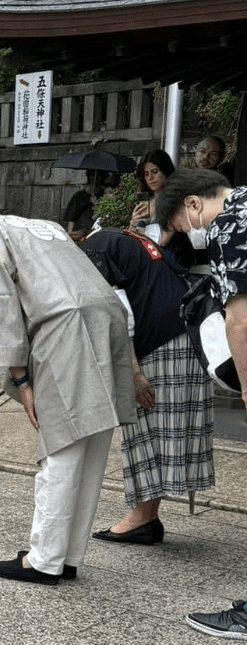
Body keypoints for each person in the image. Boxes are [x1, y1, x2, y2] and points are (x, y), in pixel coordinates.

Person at [0, 193, 135, 585]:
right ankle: (68, 555)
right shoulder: (39, 225)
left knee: (60, 445)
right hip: (107, 319)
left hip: (66, 330)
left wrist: (23, 383)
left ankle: (44, 559)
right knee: (92, 442)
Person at [155, 168, 247, 639]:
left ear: (193, 205)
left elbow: (240, 318)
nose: (190, 235)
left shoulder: (229, 223)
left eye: (181, 224)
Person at [79, 228, 214, 545]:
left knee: (143, 430)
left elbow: (117, 313)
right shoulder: (123, 239)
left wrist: (133, 373)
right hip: (186, 339)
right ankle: (147, 516)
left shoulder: (92, 253)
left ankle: (141, 519)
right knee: (159, 431)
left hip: (159, 346)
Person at [130, 149, 176, 230]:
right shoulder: (144, 198)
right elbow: (133, 232)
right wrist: (133, 223)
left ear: (166, 171)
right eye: (146, 174)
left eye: (154, 172)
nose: (150, 178)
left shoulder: (175, 199)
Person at [62, 169, 102, 241]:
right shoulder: (79, 195)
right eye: (92, 175)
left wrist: (96, 204)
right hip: (80, 231)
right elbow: (71, 215)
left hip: (95, 232)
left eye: (98, 176)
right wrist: (70, 233)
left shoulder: (103, 196)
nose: (95, 178)